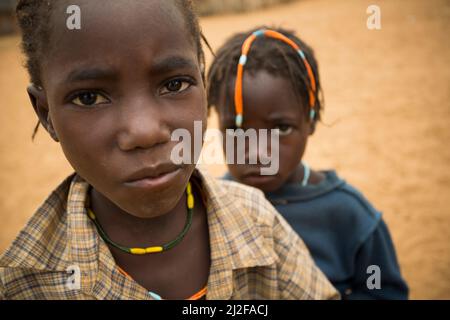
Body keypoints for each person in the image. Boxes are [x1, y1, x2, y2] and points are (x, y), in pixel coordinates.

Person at [0, 1, 338, 300]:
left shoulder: (258, 223)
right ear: (46, 113)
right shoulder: (27, 283)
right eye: (89, 97)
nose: (145, 132)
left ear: (202, 82)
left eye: (174, 84)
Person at [207, 26, 409, 299]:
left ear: (311, 121)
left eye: (280, 128)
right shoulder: (211, 207)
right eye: (236, 130)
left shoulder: (350, 216)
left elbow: (384, 292)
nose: (256, 153)